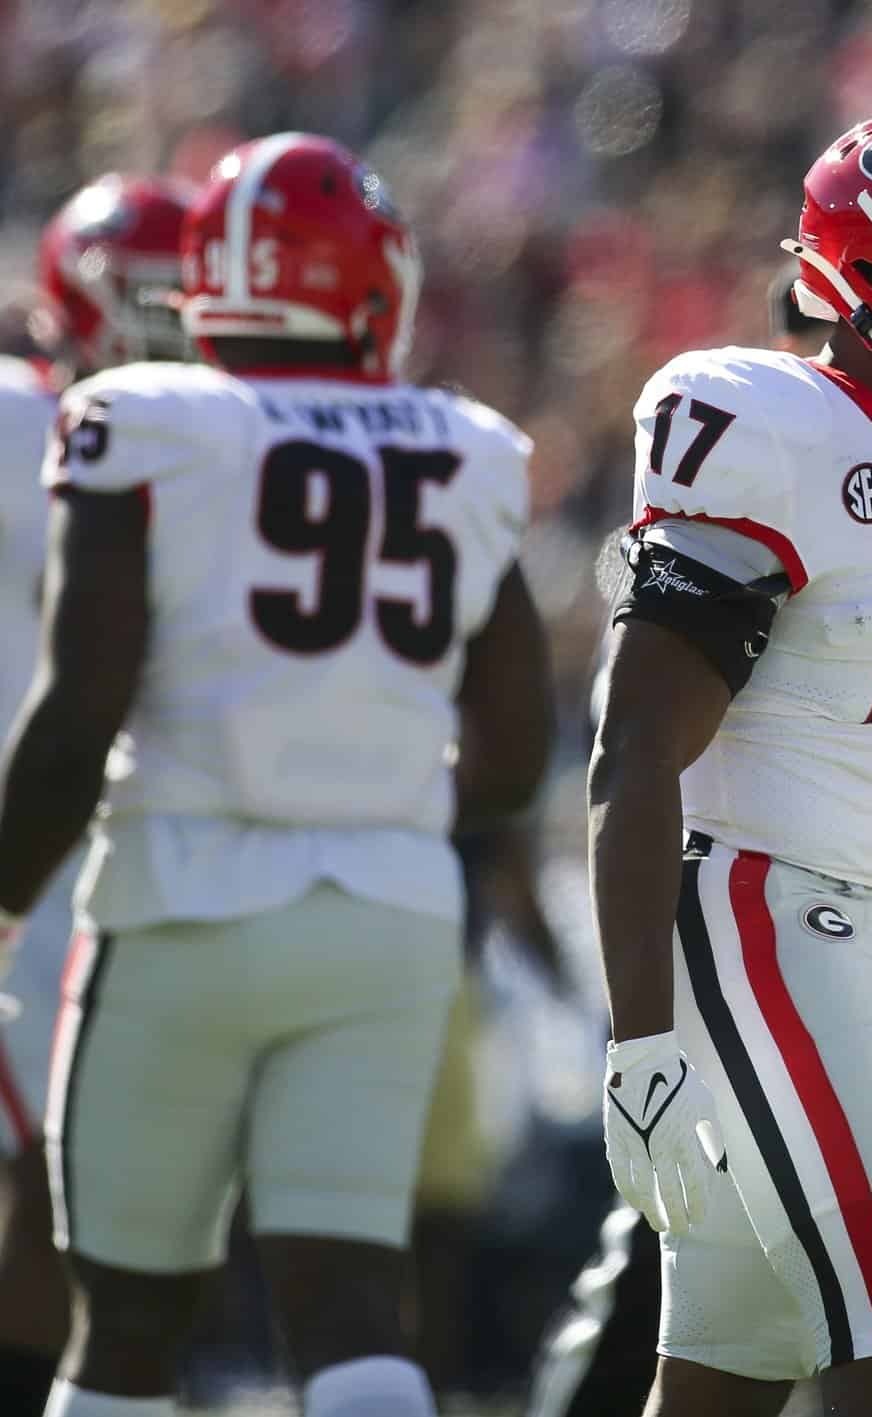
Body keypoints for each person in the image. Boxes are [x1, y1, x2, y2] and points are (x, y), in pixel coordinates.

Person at [0, 133, 554, 1417]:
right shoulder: (463, 441)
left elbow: (79, 712)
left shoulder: (139, 419)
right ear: (376, 286)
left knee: (128, 1318)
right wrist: (380, 797)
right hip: (384, 910)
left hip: (176, 891)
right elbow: (517, 748)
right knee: (354, 1310)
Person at [587, 107, 872, 1417]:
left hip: (853, 928)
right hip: (758, 910)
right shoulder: (762, 418)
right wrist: (637, 1042)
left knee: (725, 1370)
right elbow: (636, 750)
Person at [0, 171, 198, 1414]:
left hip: (93, 846)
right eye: (147, 299)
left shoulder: (209, 437)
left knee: (64, 1181)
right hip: (48, 841)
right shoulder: (25, 420)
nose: (169, 324)